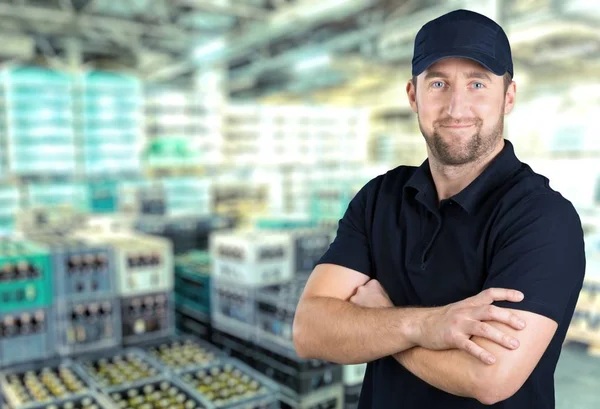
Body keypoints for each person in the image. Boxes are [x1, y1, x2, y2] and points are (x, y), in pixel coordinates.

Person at [292, 9, 586, 409]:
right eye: (438, 83)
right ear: (414, 95)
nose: (456, 106)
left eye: (478, 83)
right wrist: (424, 325)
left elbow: (489, 376)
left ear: (509, 96)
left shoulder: (542, 219)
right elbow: (310, 330)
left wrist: (383, 321)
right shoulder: (379, 198)